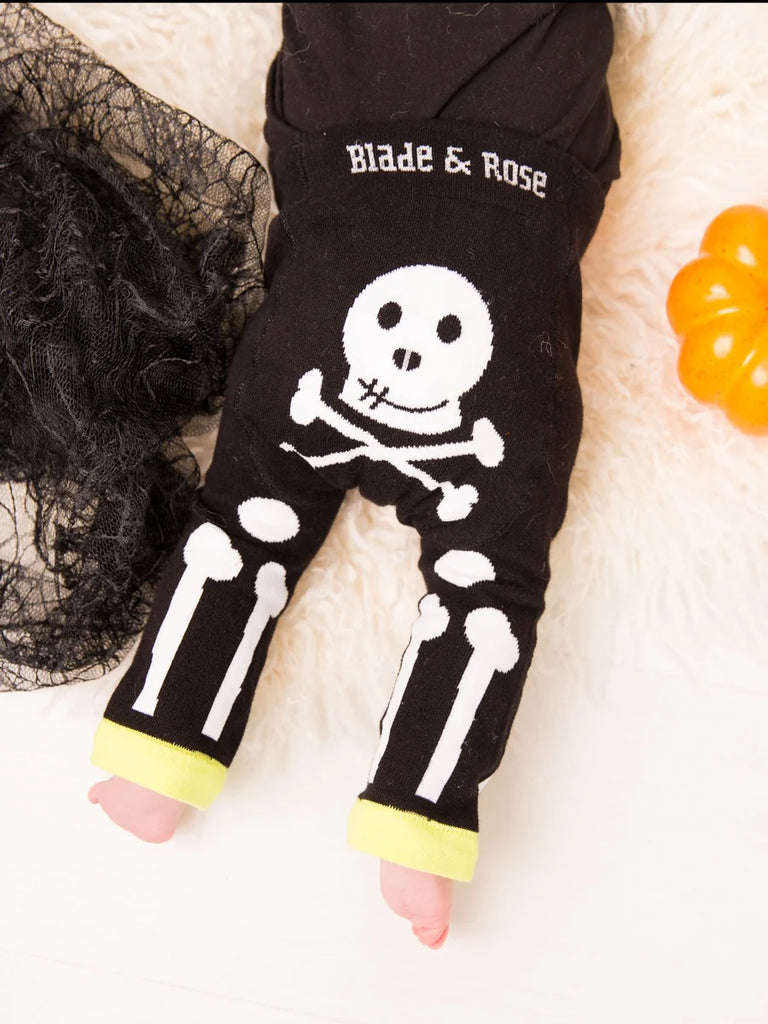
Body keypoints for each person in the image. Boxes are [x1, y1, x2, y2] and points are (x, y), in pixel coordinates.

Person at [88, 3, 621, 949]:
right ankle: (421, 818)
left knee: (241, 529)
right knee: (487, 593)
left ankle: (157, 750)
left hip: (332, 293)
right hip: (502, 330)